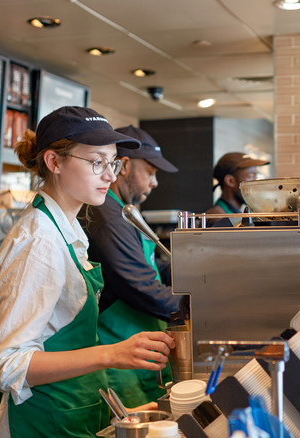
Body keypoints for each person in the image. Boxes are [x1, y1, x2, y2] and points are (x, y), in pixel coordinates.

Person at [0, 107, 176, 437]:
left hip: (74, 412)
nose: (111, 176)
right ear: (54, 162)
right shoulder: (37, 243)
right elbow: (7, 364)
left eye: (112, 162)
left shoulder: (68, 229)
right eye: (96, 162)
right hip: (43, 421)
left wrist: (119, 413)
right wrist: (112, 354)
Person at [83, 125, 187, 407]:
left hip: (139, 354)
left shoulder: (123, 211)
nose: (155, 183)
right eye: (151, 173)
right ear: (125, 166)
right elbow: (140, 286)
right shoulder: (108, 218)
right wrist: (196, 305)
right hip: (119, 362)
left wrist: (195, 271)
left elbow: (152, 267)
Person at [206, 152, 269, 226]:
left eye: (256, 177)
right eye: (251, 176)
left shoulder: (234, 215)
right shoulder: (219, 219)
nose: (256, 183)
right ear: (230, 181)